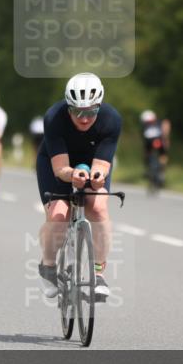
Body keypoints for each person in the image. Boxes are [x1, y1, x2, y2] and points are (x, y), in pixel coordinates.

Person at [36, 73, 122, 302]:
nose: (84, 118)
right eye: (77, 111)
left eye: (91, 112)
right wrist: (73, 174)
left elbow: (103, 165)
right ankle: (48, 265)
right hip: (57, 162)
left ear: (99, 106)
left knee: (99, 208)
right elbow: (60, 168)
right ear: (68, 107)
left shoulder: (111, 119)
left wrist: (97, 177)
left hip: (93, 161)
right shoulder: (54, 117)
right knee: (58, 215)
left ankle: (98, 273)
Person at [140, 110, 170, 185]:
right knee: (163, 154)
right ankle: (161, 171)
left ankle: (148, 169)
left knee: (147, 153)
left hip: (149, 142)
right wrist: (166, 141)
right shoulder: (159, 122)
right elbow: (165, 131)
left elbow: (144, 138)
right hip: (158, 141)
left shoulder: (145, 125)